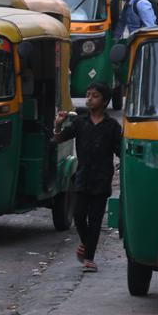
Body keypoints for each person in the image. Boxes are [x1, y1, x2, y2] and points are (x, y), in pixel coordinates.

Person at [53, 82, 123, 272]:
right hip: (82, 177)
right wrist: (58, 125)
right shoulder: (80, 122)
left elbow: (121, 151)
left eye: (95, 95)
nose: (89, 99)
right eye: (88, 94)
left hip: (101, 179)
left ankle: (89, 258)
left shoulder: (112, 127)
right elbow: (59, 139)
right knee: (78, 214)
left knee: (96, 219)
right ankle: (87, 246)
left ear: (105, 100)